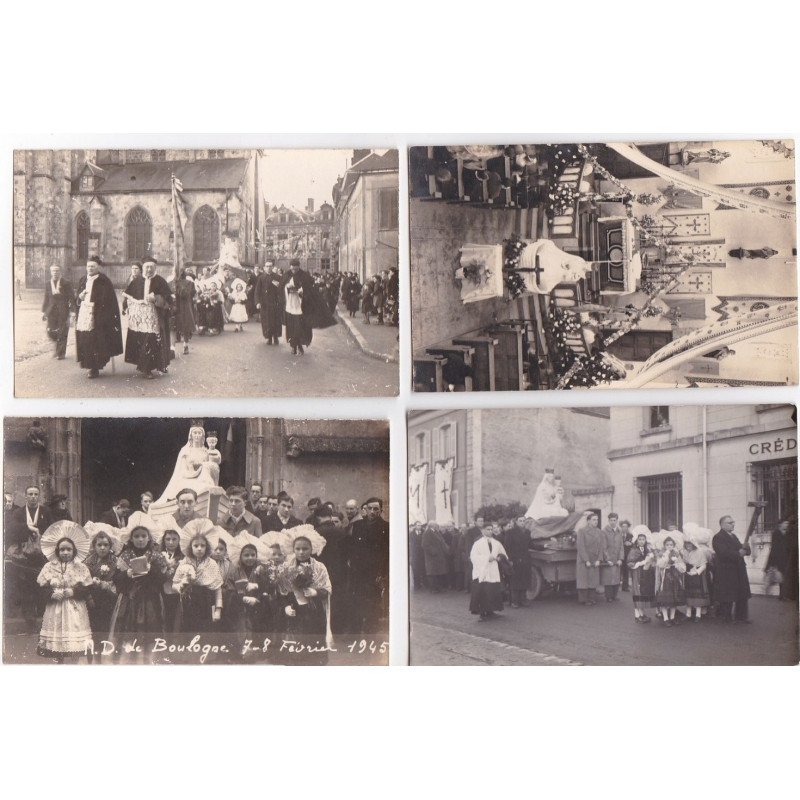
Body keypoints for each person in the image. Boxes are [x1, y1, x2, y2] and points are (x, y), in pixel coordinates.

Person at [109, 526, 169, 660]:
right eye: (136, 536)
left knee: (150, 631)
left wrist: (151, 569)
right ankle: (130, 660)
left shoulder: (156, 555)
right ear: (131, 538)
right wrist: (126, 574)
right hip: (130, 600)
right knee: (129, 631)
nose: (140, 539)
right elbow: (116, 578)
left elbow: (162, 579)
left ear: (149, 538)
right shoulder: (125, 555)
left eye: (143, 536)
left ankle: (147, 659)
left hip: (150, 600)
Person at [36, 536, 93, 661]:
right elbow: (40, 587)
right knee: (57, 635)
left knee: (75, 636)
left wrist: (74, 591)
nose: (65, 552)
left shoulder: (80, 567)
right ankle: (59, 660)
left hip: (75, 607)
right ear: (57, 551)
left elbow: (88, 588)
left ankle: (75, 661)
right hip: (55, 607)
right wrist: (51, 594)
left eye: (69, 549)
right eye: (62, 550)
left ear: (74, 551)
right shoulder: (49, 566)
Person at [279, 534, 332, 665]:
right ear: (293, 549)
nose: (301, 552)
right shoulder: (286, 567)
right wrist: (286, 606)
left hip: (314, 611)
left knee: (314, 645)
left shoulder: (319, 567)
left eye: (305, 548)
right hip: (295, 611)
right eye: (298, 549)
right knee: (295, 647)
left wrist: (315, 591)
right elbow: (282, 591)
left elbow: (327, 589)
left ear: (311, 549)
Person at [123, 256, 173, 379]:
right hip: (139, 319)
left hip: (155, 317)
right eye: (146, 267)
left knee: (151, 340)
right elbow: (128, 297)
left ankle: (148, 368)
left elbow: (168, 299)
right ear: (143, 268)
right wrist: (127, 307)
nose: (149, 269)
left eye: (151, 267)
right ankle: (145, 367)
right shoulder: (137, 281)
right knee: (141, 340)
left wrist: (155, 298)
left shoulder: (160, 281)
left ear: (155, 268)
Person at [75, 256, 123, 379]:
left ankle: (94, 368)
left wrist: (103, 314)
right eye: (88, 266)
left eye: (93, 266)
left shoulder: (104, 281)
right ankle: (88, 365)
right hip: (84, 315)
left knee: (96, 342)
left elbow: (110, 301)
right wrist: (79, 298)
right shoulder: (82, 280)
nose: (90, 268)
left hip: (99, 316)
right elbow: (77, 299)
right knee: (85, 340)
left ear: (98, 268)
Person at [349, 498, 389, 633]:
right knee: (357, 601)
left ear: (381, 511)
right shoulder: (358, 526)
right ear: (365, 509)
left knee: (373, 603)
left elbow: (387, 553)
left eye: (376, 509)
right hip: (358, 573)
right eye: (370, 508)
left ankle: (371, 633)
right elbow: (353, 548)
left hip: (374, 574)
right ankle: (355, 631)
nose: (372, 511)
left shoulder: (386, 527)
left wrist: (382, 574)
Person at [154, 425, 219, 506]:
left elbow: (211, 466)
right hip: (187, 477)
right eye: (195, 433)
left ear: (203, 435)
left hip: (203, 477)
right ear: (191, 435)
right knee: (188, 487)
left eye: (199, 433)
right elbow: (182, 471)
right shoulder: (186, 450)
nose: (197, 435)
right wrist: (196, 471)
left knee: (207, 484)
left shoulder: (206, 451)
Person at [173, 533, 223, 634]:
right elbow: (174, 584)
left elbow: (218, 589)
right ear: (190, 547)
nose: (199, 549)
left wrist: (218, 610)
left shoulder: (212, 564)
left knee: (204, 632)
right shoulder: (185, 562)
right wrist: (181, 587)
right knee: (187, 631)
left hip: (205, 602)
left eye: (202, 545)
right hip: (188, 602)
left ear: (207, 547)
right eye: (196, 546)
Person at [83, 530, 118, 653]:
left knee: (106, 629)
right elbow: (83, 583)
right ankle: (92, 654)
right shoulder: (87, 562)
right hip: (92, 600)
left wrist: (106, 585)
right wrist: (89, 598)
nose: (102, 548)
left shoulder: (115, 561)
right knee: (92, 629)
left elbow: (118, 582)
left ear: (110, 546)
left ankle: (103, 653)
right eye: (99, 545)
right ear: (94, 546)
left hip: (109, 600)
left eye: (106, 545)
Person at [712, 516, 752, 623]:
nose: (733, 524)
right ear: (722, 524)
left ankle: (741, 617)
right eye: (730, 523)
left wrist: (746, 548)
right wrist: (738, 553)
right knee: (728, 594)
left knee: (741, 593)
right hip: (727, 571)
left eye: (733, 522)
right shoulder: (718, 537)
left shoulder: (734, 536)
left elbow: (742, 549)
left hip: (738, 569)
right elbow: (723, 553)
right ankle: (726, 617)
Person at [469, 525, 507, 620]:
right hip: (482, 570)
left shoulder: (496, 543)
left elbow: (503, 554)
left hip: (493, 570)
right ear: (482, 531)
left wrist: (499, 558)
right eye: (488, 529)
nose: (490, 531)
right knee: (482, 592)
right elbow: (473, 557)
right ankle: (482, 613)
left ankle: (491, 611)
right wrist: (486, 558)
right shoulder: (477, 543)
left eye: (491, 529)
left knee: (492, 590)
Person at [42, 264, 76, 359]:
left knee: (62, 331)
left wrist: (73, 311)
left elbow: (72, 298)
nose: (55, 272)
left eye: (57, 270)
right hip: (51, 311)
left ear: (60, 271)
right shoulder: (48, 283)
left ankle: (60, 353)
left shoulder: (66, 283)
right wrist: (43, 312)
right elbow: (46, 298)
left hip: (63, 311)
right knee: (51, 331)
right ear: (51, 272)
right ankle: (58, 348)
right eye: (53, 271)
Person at [282, 259, 314, 355]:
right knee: (291, 327)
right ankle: (293, 347)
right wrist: (287, 288)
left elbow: (309, 289)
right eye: (292, 269)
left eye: (295, 269)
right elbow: (282, 287)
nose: (293, 271)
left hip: (300, 306)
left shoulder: (304, 276)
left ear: (299, 267)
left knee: (299, 327)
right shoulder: (287, 275)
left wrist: (301, 291)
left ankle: (299, 346)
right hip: (290, 305)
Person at [655, 537, 686, 626]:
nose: (669, 546)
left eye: (671, 545)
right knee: (664, 599)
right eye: (667, 545)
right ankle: (665, 618)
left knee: (674, 598)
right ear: (664, 545)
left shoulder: (676, 553)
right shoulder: (662, 553)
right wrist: (666, 558)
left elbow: (683, 567)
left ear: (674, 545)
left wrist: (677, 564)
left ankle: (672, 617)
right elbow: (659, 564)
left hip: (674, 577)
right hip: (665, 578)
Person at [627, 527, 656, 623]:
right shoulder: (634, 550)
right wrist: (642, 562)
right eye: (640, 539)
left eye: (643, 539)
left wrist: (650, 559)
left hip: (645, 574)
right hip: (637, 574)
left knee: (642, 592)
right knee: (637, 592)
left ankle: (642, 614)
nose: (642, 541)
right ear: (636, 540)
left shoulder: (646, 550)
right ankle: (637, 615)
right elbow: (630, 563)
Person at [765, 519, 798, 601]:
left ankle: (783, 595)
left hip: (787, 557)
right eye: (785, 523)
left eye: (787, 523)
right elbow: (774, 547)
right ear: (780, 524)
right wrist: (773, 561)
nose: (787, 525)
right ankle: (782, 595)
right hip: (778, 558)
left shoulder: (787, 533)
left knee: (784, 576)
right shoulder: (776, 533)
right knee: (780, 577)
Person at [576, 513, 603, 605]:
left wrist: (599, 559)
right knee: (584, 580)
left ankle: (591, 598)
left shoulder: (599, 532)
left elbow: (601, 547)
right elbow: (581, 547)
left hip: (594, 559)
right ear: (588, 521)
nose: (596, 521)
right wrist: (586, 560)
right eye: (594, 520)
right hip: (584, 560)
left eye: (597, 520)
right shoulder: (582, 531)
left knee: (593, 579)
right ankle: (584, 599)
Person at [504, 517, 532, 608]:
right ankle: (514, 601)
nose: (522, 522)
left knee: (524, 579)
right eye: (520, 521)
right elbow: (507, 547)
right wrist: (510, 560)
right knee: (515, 581)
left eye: (524, 521)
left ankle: (523, 600)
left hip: (525, 560)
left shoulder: (527, 532)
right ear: (516, 522)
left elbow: (530, 544)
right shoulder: (510, 532)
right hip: (515, 560)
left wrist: (543, 546)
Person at [160, 529, 183, 633]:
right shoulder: (159, 555)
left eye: (174, 539)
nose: (171, 542)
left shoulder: (183, 556)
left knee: (175, 617)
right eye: (168, 539)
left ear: (179, 540)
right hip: (161, 589)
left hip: (177, 590)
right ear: (163, 540)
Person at [255, 264, 284, 345]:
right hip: (265, 303)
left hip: (275, 302)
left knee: (275, 321)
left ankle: (276, 337)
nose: (268, 268)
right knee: (266, 321)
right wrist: (257, 302)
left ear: (272, 267)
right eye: (267, 266)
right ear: (264, 268)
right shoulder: (261, 278)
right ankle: (269, 337)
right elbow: (257, 291)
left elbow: (282, 290)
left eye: (270, 266)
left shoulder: (277, 277)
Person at [682, 538, 710, 621]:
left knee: (697, 594)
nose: (688, 546)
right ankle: (688, 614)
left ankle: (698, 615)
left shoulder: (699, 552)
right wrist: (684, 569)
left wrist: (697, 571)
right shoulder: (685, 552)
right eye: (686, 544)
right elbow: (683, 563)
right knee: (688, 594)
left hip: (697, 576)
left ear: (693, 544)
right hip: (687, 574)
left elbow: (704, 565)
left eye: (689, 544)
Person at [600, 512, 624, 602]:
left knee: (616, 578)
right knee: (608, 579)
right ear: (608, 520)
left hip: (617, 559)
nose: (613, 522)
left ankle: (614, 595)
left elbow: (621, 546)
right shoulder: (604, 531)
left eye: (614, 520)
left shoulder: (619, 531)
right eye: (611, 520)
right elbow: (604, 547)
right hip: (609, 558)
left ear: (617, 520)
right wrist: (607, 559)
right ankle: (608, 596)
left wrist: (620, 559)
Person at [420, 521, 449, 593]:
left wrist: (446, 549)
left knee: (438, 573)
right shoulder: (426, 533)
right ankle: (433, 589)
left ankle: (438, 588)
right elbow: (424, 545)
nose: (437, 525)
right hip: (432, 557)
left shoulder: (436, 532)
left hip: (439, 557)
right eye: (435, 524)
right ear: (431, 526)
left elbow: (442, 541)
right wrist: (434, 552)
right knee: (432, 574)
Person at [173, 268, 197, 355]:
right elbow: (194, 293)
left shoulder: (175, 283)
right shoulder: (190, 283)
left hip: (178, 306)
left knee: (176, 326)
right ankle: (185, 344)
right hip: (187, 307)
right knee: (186, 326)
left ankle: (173, 348)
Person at [620, 520, 633, 591]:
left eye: (626, 526)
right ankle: (615, 587)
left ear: (628, 527)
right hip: (619, 555)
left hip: (627, 555)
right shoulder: (618, 534)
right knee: (618, 571)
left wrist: (630, 544)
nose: (624, 528)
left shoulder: (630, 535)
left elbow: (633, 545)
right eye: (623, 526)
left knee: (626, 571)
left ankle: (625, 587)